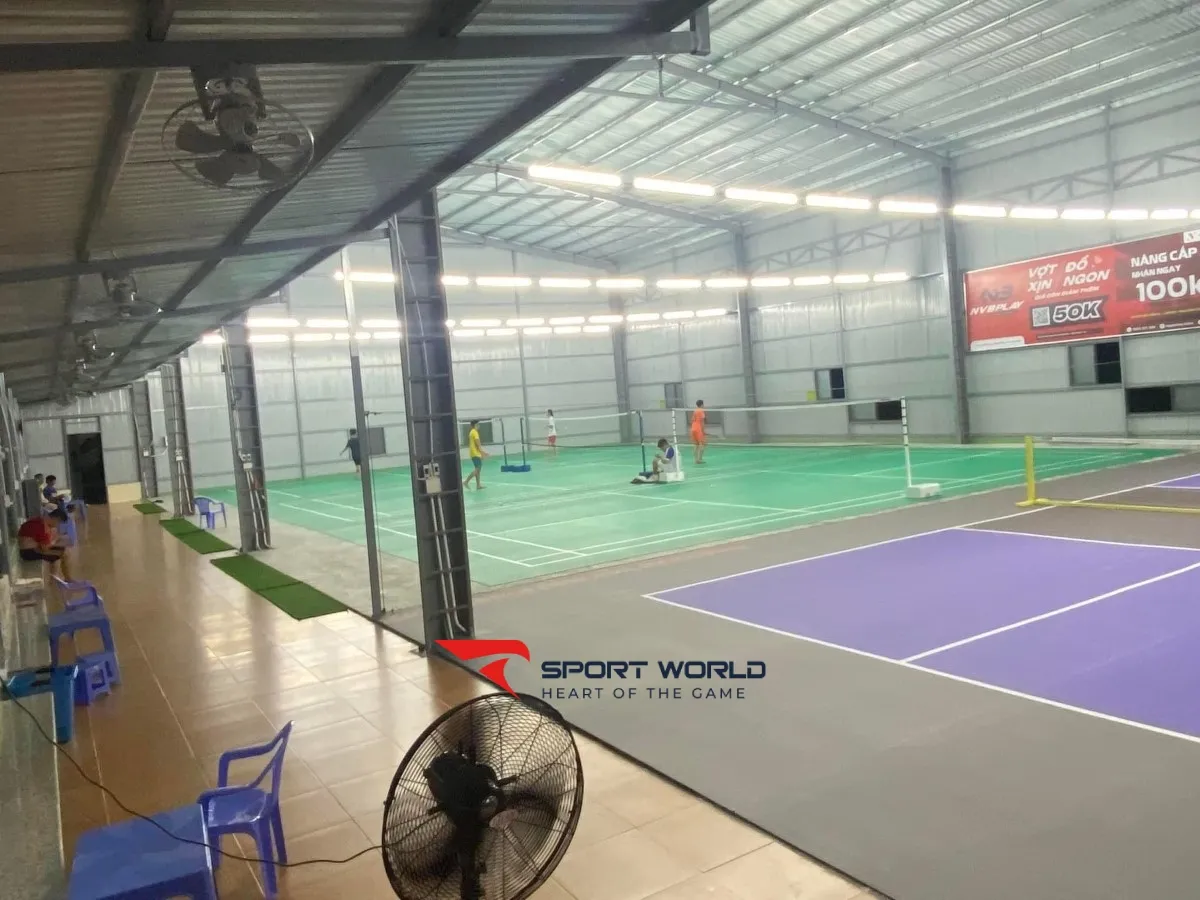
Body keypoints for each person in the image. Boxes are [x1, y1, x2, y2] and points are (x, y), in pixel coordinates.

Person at [17, 508, 73, 579]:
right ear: (56, 519)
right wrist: (55, 541)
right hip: (28, 552)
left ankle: (59, 579)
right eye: (59, 523)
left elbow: (46, 541)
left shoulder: (41, 520)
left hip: (33, 548)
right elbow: (45, 548)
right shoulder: (42, 526)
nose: (57, 525)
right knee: (61, 554)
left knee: (62, 551)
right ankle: (62, 579)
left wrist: (54, 541)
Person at [463, 420, 489, 490]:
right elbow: (478, 444)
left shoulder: (471, 432)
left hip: (473, 453)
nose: (479, 426)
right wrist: (483, 453)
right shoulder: (475, 432)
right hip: (475, 453)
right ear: (475, 425)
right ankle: (466, 482)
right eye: (478, 425)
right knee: (477, 469)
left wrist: (482, 453)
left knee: (478, 469)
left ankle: (478, 485)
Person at [690, 400, 707, 465]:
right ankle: (700, 459)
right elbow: (702, 421)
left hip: (693, 428)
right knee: (702, 444)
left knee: (695, 445)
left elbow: (692, 420)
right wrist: (703, 431)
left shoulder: (695, 411)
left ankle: (696, 460)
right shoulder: (701, 410)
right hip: (698, 428)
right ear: (702, 404)